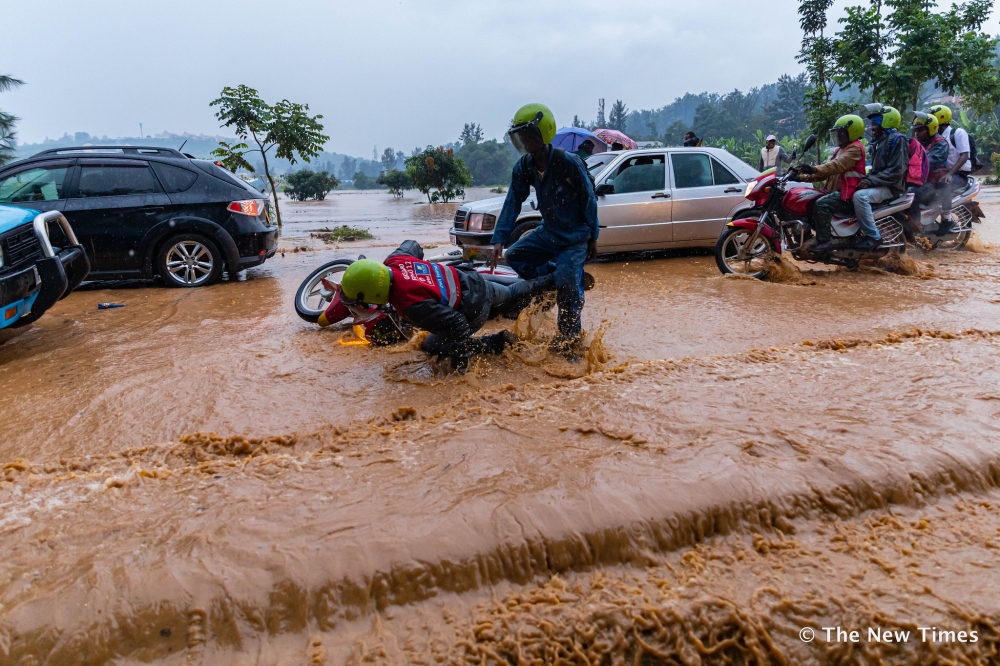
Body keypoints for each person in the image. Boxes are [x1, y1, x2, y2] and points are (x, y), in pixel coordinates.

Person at [490, 103, 599, 354]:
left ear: (543, 132)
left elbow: (588, 199)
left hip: (574, 238)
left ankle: (569, 341)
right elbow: (512, 202)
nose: (525, 142)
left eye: (529, 135)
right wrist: (499, 239)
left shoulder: (567, 162)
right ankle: (556, 276)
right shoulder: (524, 166)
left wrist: (594, 236)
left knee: (569, 291)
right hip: (548, 232)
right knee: (515, 256)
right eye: (521, 137)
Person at [339, 241, 544, 371]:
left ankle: (498, 342)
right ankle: (558, 282)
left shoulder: (410, 305)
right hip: (475, 282)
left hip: (473, 310)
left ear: (374, 291)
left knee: (431, 346)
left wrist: (459, 369)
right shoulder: (395, 259)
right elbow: (413, 244)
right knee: (513, 294)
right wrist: (419, 272)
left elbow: (459, 325)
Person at [794, 114, 867, 250]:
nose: (838, 137)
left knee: (821, 204)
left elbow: (835, 166)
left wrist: (812, 168)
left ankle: (824, 240)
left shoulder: (854, 148)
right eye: (837, 134)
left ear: (852, 132)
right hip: (835, 191)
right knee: (808, 199)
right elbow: (824, 173)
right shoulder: (840, 150)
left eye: (841, 133)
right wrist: (800, 177)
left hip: (848, 194)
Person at [849, 103, 908, 250]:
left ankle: (873, 236)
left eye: (875, 123)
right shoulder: (878, 142)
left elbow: (896, 171)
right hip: (880, 184)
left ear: (887, 121)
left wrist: (869, 181)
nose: (872, 127)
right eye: (871, 123)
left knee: (860, 197)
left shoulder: (897, 140)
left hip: (891, 187)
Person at [929, 104, 971, 235]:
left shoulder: (957, 133)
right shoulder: (935, 138)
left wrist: (950, 173)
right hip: (944, 172)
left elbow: (964, 155)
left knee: (943, 184)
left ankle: (947, 220)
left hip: (959, 174)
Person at [905, 112, 948, 234]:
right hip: (917, 180)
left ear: (931, 129)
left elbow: (930, 164)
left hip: (932, 182)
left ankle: (915, 229)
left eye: (920, 130)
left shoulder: (940, 143)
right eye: (916, 131)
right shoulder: (917, 144)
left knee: (911, 195)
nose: (917, 133)